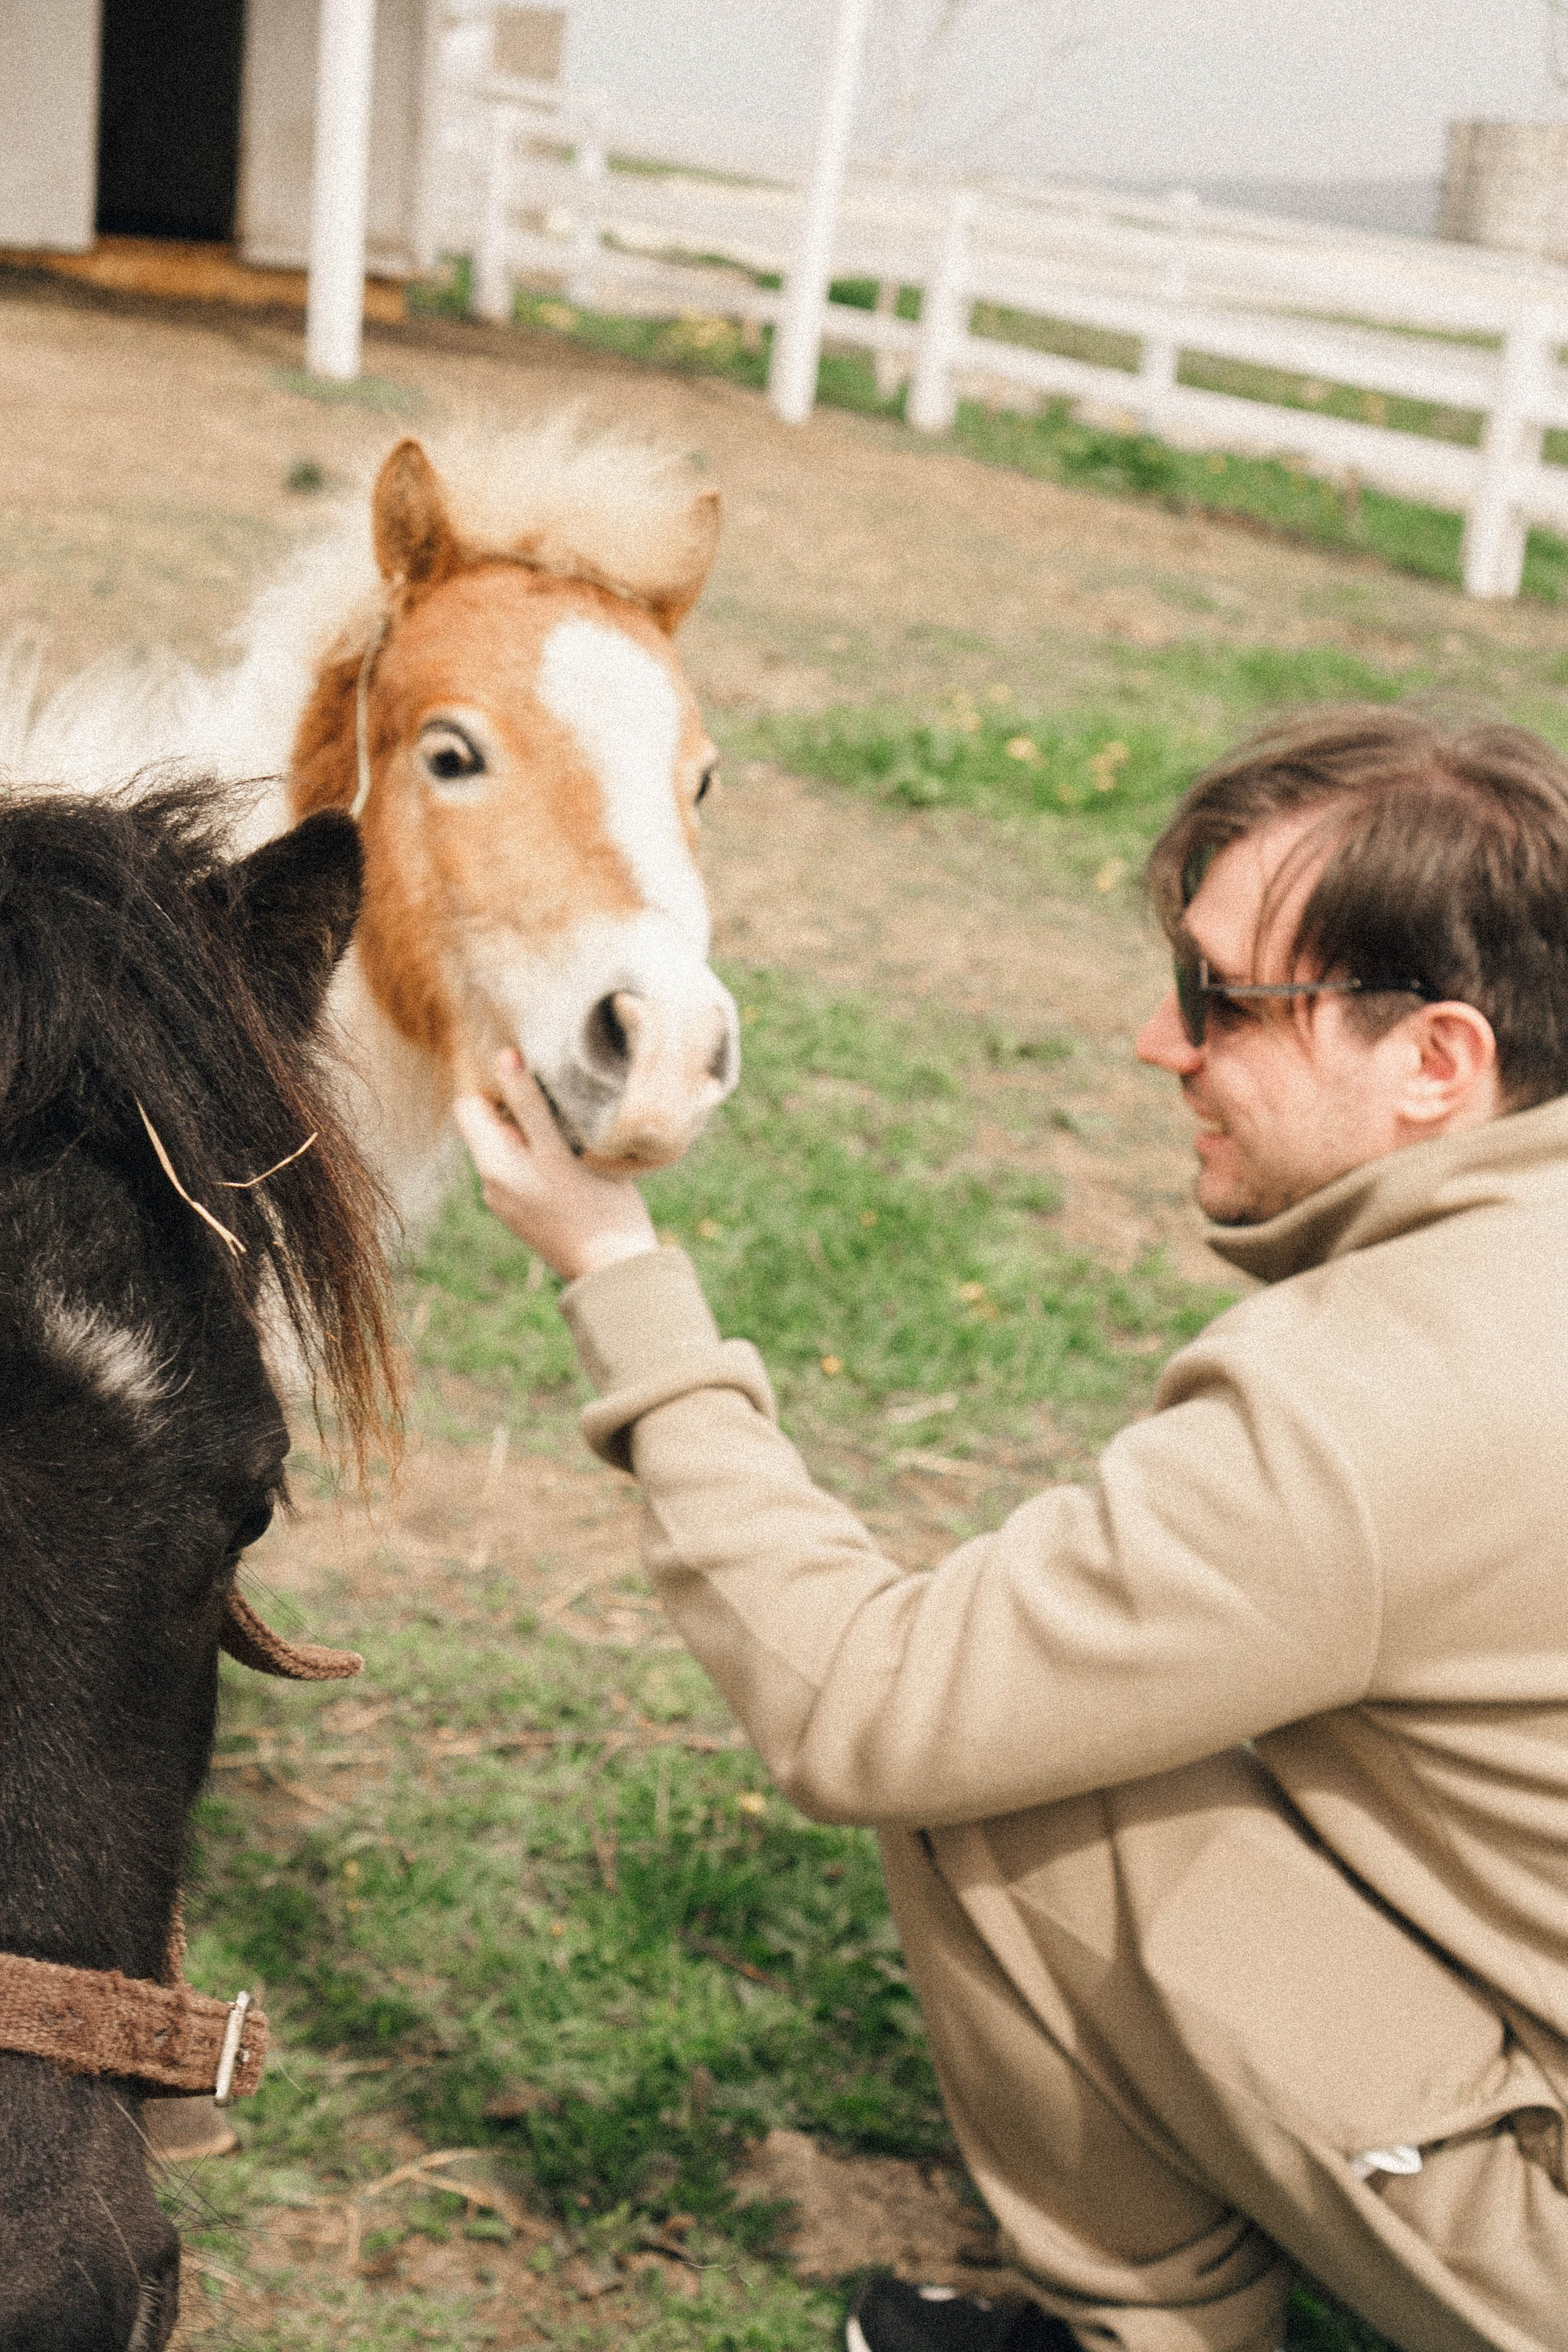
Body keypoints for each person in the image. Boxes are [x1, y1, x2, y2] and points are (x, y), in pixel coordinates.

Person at [454, 706, 1568, 2352]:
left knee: (1001, 1760)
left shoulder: (1370, 1402)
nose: (1157, 1041)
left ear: (1436, 1064)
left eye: (1220, 1001)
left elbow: (873, 1704)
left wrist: (618, 1276)